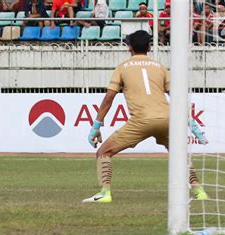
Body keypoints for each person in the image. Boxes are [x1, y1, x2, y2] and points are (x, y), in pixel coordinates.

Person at [82, 30, 209, 203]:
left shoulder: (122, 67)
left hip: (141, 121)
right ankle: (199, 191)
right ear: (149, 47)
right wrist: (192, 125)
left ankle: (105, 193)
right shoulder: (160, 67)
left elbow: (108, 99)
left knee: (104, 152)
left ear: (129, 48)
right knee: (179, 155)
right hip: (167, 119)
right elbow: (177, 98)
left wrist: (96, 126)